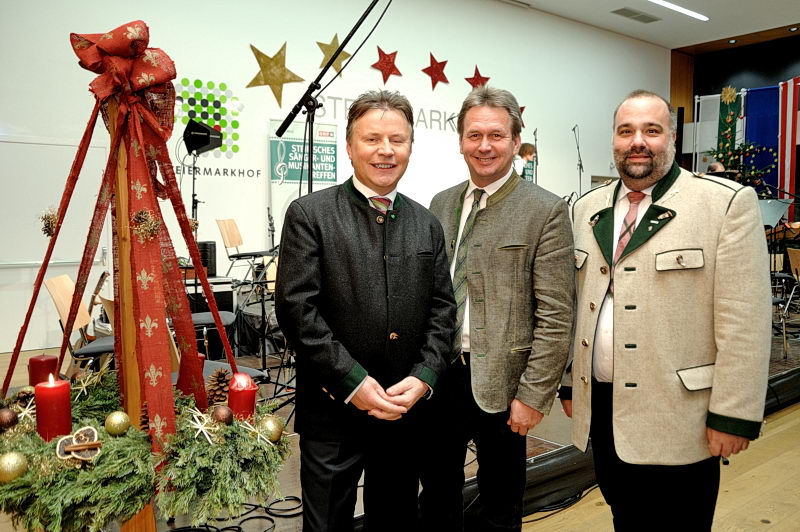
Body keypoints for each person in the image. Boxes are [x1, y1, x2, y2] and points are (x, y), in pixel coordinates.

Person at [559, 90, 771, 530]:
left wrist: (734, 414)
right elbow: (576, 306)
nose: (637, 141)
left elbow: (745, 320)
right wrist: (569, 384)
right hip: (604, 409)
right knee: (624, 517)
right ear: (614, 140)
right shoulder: (586, 208)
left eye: (651, 130)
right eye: (626, 131)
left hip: (680, 414)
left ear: (672, 138)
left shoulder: (724, 204)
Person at [275, 90, 456, 532]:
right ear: (350, 146)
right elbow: (297, 310)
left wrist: (424, 377)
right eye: (372, 139)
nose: (385, 150)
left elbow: (442, 310)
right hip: (331, 411)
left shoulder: (426, 224)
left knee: (395, 520)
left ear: (410, 147)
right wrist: (352, 382)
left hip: (403, 411)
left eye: (397, 140)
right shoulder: (310, 215)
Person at [420, 85, 574, 531]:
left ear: (515, 140)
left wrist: (534, 394)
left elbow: (556, 314)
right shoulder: (441, 203)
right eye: (474, 135)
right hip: (440, 374)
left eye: (496, 135)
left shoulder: (545, 210)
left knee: (500, 506)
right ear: (460, 141)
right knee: (436, 496)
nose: (484, 146)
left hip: (506, 385)